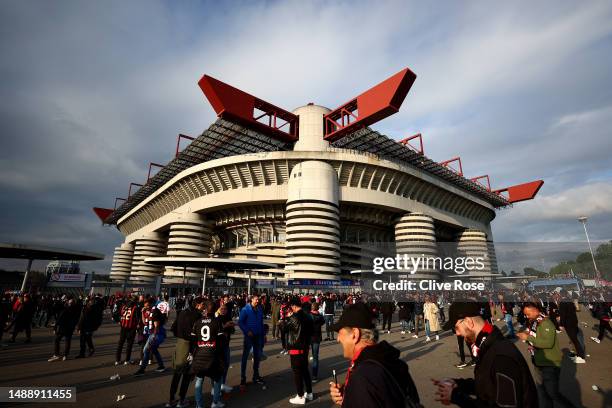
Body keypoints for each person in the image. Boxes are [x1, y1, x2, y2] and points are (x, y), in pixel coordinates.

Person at [434, 302, 538, 407]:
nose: (457, 333)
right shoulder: (488, 344)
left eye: (456, 328)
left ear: (469, 322)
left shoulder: (500, 357)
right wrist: (460, 385)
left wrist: (457, 397)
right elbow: (489, 385)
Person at [328, 303, 420, 407]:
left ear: (355, 334)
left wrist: (354, 394)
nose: (338, 339)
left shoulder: (363, 376)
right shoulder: (393, 361)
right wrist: (348, 395)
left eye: (340, 332)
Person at [517, 302, 572, 407]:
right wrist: (527, 336)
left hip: (549, 364)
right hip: (538, 361)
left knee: (553, 393)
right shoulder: (534, 322)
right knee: (542, 392)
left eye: (528, 314)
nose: (527, 316)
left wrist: (527, 337)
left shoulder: (546, 323)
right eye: (525, 314)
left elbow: (548, 343)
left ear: (535, 310)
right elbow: (536, 337)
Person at [167, 297, 204, 408]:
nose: (203, 307)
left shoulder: (183, 312)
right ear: (198, 304)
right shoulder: (197, 316)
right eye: (202, 304)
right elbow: (198, 334)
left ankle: (171, 399)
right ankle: (181, 399)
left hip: (180, 344)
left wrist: (180, 335)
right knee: (187, 374)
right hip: (191, 346)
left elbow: (173, 328)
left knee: (177, 373)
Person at [191, 300, 225, 408]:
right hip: (212, 355)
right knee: (217, 379)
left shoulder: (197, 322)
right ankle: (215, 402)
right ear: (215, 309)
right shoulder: (216, 322)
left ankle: (199, 405)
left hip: (200, 354)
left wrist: (193, 352)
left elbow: (193, 340)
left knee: (199, 380)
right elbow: (221, 341)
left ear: (204, 309)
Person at [286, 298, 314, 405]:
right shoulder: (308, 316)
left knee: (297, 372)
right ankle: (309, 393)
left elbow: (283, 328)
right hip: (305, 348)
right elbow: (312, 331)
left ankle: (300, 395)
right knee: (305, 371)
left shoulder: (293, 317)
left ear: (293, 306)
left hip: (295, 348)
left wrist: (287, 318)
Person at [134, 297, 166, 375]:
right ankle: (161, 366)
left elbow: (156, 325)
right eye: (145, 305)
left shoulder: (154, 311)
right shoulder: (148, 311)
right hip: (154, 333)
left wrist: (154, 335)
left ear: (151, 304)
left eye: (148, 305)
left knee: (146, 350)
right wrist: (142, 312)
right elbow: (145, 323)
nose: (146, 306)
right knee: (154, 350)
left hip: (157, 334)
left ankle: (142, 370)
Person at [238, 294, 265, 388]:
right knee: (245, 357)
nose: (258, 301)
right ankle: (243, 378)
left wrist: (263, 335)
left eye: (258, 300)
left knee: (257, 357)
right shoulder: (245, 309)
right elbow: (240, 322)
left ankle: (256, 376)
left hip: (258, 336)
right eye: (256, 299)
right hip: (249, 336)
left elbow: (261, 323)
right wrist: (247, 331)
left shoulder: (260, 309)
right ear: (251, 300)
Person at [48, 296, 80, 361]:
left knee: (57, 340)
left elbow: (59, 319)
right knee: (67, 341)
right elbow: (77, 320)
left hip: (63, 328)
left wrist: (55, 328)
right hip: (70, 328)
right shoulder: (77, 310)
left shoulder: (65, 309)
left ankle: (56, 354)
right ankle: (65, 355)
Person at [558, 292, 586, 363]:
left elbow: (563, 314)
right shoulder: (570, 301)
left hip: (568, 323)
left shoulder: (562, 303)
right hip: (574, 322)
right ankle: (579, 355)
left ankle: (581, 356)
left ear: (561, 295)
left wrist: (561, 324)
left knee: (574, 340)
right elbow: (574, 311)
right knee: (575, 339)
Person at [216, 302, 236, 393]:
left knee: (226, 364)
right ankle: (216, 387)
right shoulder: (216, 319)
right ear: (219, 311)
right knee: (219, 366)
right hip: (218, 346)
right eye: (222, 309)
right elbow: (216, 331)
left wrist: (231, 326)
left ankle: (222, 384)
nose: (223, 310)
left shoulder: (228, 318)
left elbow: (232, 331)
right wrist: (225, 326)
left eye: (225, 309)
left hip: (226, 344)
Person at [116, 296, 140, 365]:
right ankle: (127, 360)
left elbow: (119, 315)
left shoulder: (124, 306)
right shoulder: (135, 308)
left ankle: (117, 360)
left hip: (123, 327)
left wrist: (120, 321)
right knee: (129, 344)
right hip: (131, 328)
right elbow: (137, 318)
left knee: (120, 344)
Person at [310, 302, 325, 383]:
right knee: (315, 357)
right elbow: (323, 322)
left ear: (311, 308)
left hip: (309, 337)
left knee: (305, 355)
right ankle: (314, 376)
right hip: (317, 337)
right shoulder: (320, 316)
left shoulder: (308, 316)